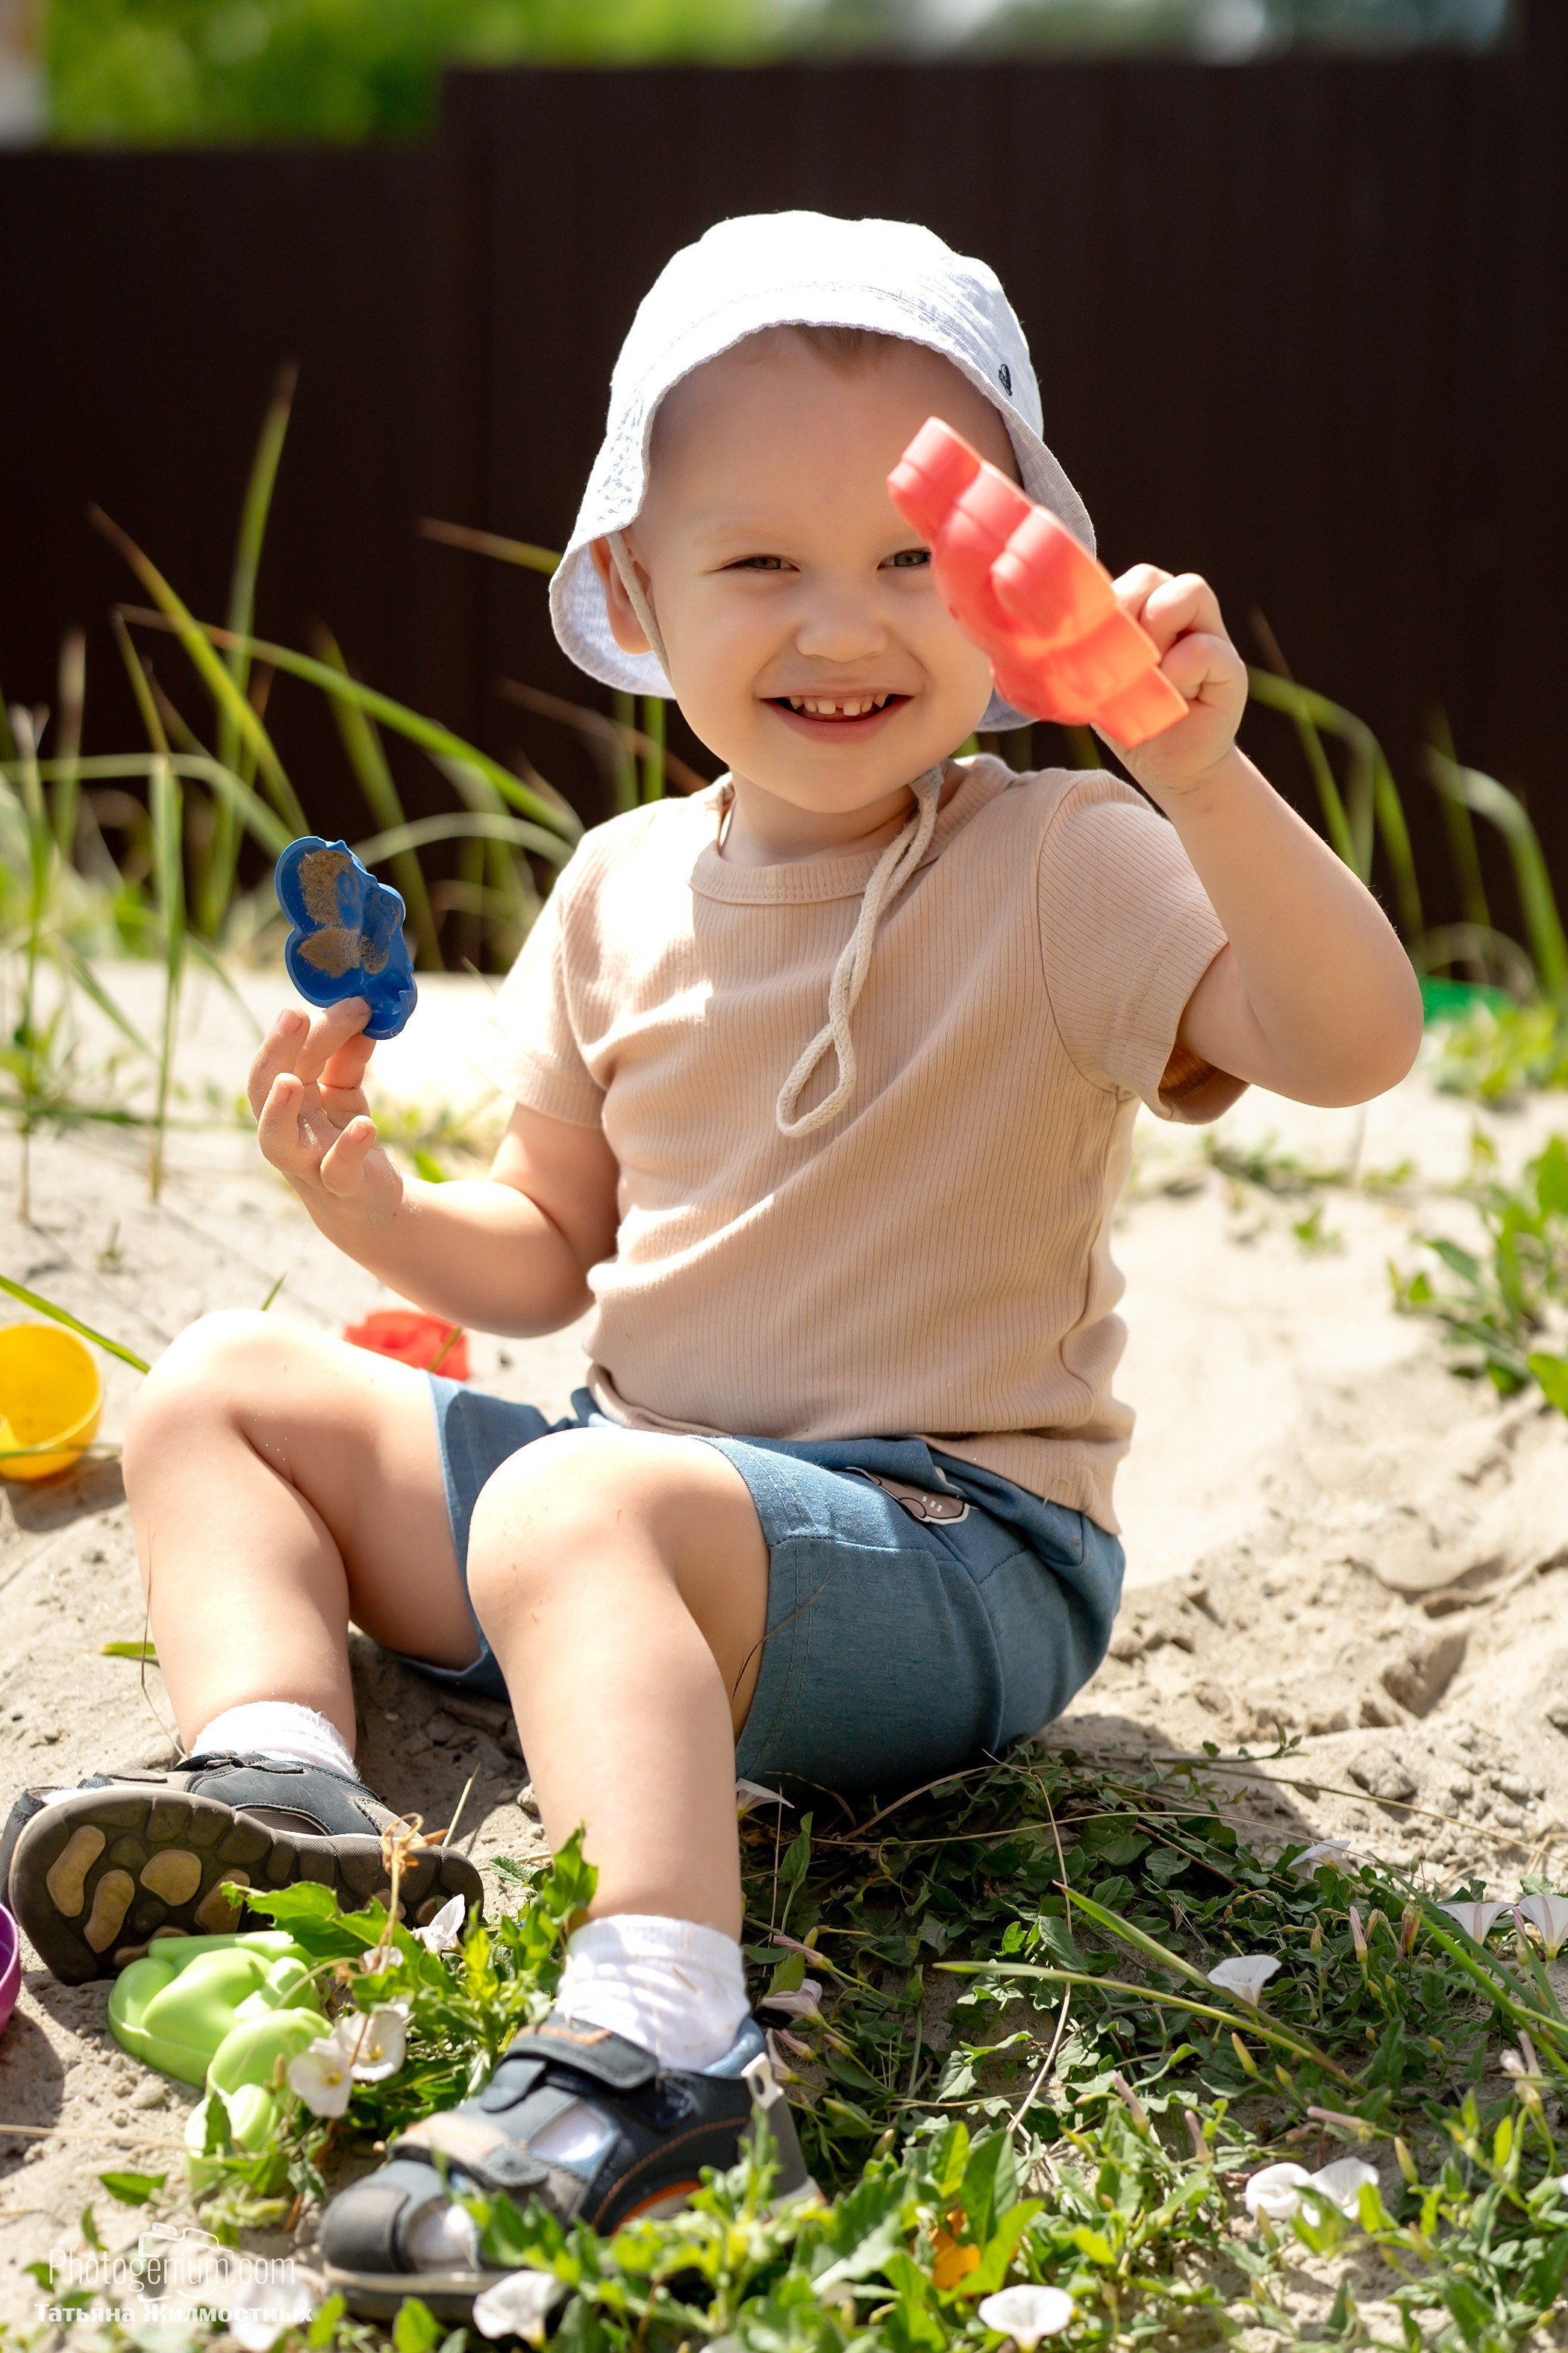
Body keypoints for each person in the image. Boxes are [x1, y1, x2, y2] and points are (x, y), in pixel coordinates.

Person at [1, 211, 1421, 2305]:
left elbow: (1352, 1038)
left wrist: (1198, 773)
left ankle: (667, 2025)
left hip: (951, 1553)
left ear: (1022, 592)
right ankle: (281, 1785)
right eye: (761, 561)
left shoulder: (1065, 858)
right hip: (634, 1504)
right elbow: (545, 1251)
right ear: (636, 592)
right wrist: (375, 1209)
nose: (843, 622)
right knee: (222, 1381)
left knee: (587, 1499)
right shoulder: (616, 889)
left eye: (919, 558)